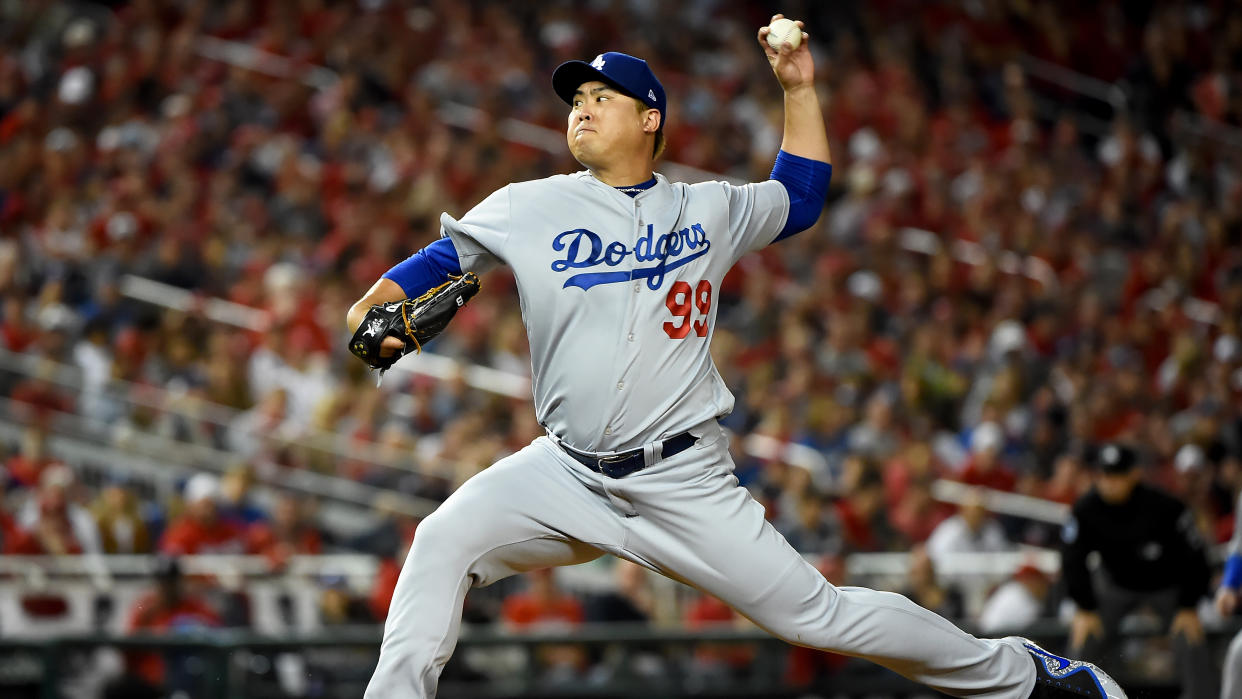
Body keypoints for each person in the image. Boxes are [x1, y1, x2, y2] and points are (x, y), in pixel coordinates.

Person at [352, 16, 1124, 699]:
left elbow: (804, 193)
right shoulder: (529, 205)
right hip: (566, 470)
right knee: (442, 540)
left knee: (817, 616)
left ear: (650, 118)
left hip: (681, 478)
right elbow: (441, 258)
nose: (580, 108)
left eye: (601, 97)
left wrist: (798, 88)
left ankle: (1021, 675)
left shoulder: (707, 207)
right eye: (575, 99)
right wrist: (370, 303)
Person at [1062, 443, 1213, 699]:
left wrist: (1188, 605)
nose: (1109, 483)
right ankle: (1071, 696)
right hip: (1116, 586)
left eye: (1117, 476)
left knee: (1190, 637)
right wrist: (1085, 606)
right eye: (1104, 475)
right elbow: (1071, 558)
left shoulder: (1165, 507)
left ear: (1133, 474)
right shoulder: (1086, 508)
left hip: (1167, 587)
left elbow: (1196, 557)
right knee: (1083, 638)